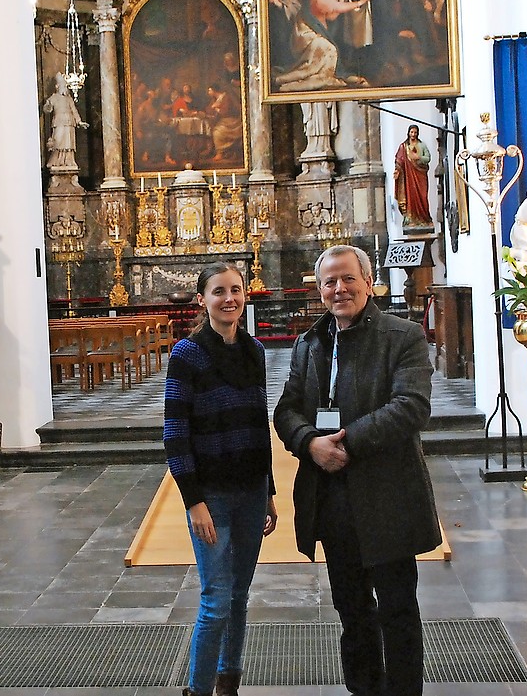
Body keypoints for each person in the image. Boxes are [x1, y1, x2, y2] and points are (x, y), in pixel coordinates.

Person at [274, 245, 441, 696]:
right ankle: (363, 688)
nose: (339, 288)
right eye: (330, 281)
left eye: (348, 279)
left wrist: (344, 443)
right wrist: (310, 443)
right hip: (332, 497)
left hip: (387, 492)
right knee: (351, 608)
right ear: (320, 289)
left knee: (397, 608)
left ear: (369, 282)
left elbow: (412, 406)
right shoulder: (309, 343)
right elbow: (287, 409)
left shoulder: (402, 336)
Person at [165, 263, 277, 696]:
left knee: (239, 597)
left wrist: (267, 490)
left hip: (250, 492)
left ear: (244, 296)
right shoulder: (187, 354)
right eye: (218, 292)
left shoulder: (254, 351)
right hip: (211, 495)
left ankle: (228, 682)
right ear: (202, 299)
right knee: (215, 600)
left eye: (235, 290)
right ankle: (197, 688)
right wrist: (194, 501)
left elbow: (257, 422)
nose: (229, 298)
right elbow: (175, 433)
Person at [394, 125, 433, 228]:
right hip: (409, 176)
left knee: (423, 197)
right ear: (408, 133)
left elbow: (428, 158)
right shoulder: (404, 146)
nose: (413, 134)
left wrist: (418, 157)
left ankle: (424, 218)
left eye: (415, 132)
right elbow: (400, 160)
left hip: (420, 174)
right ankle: (410, 218)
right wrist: (397, 171)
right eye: (411, 132)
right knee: (410, 195)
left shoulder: (422, 145)